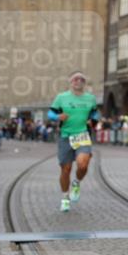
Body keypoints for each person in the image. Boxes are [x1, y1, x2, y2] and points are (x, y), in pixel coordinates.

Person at [48, 71, 100, 212]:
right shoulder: (61, 97)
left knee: (83, 165)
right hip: (65, 136)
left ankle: (76, 183)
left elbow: (95, 113)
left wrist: (93, 121)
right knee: (66, 169)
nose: (78, 81)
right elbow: (50, 113)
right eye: (75, 79)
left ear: (84, 83)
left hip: (82, 135)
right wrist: (57, 117)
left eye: (81, 79)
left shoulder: (90, 98)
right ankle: (65, 198)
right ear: (70, 82)